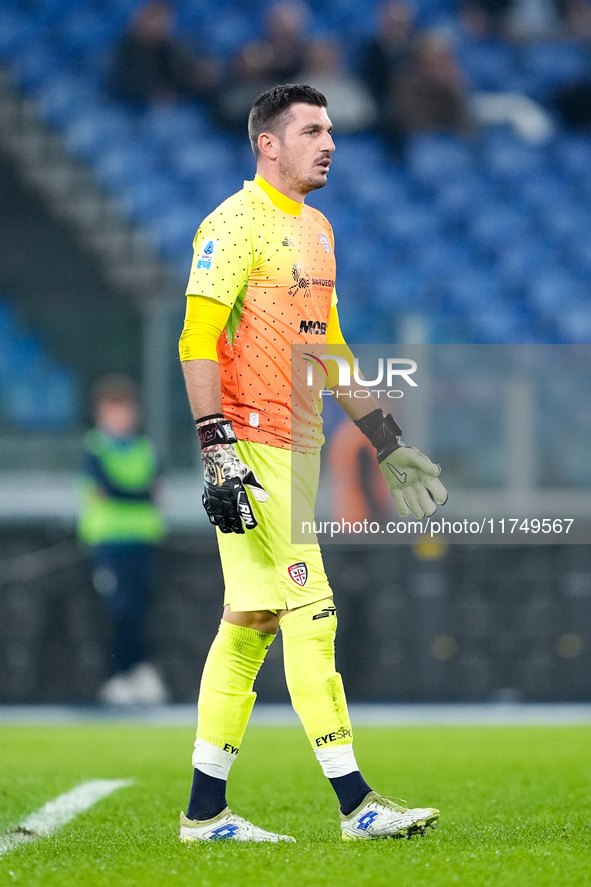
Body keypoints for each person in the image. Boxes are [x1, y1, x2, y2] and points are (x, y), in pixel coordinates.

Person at [177, 83, 447, 843]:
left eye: (330, 130)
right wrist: (215, 443)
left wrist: (388, 440)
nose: (328, 142)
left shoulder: (319, 229)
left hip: (295, 445)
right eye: (311, 130)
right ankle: (356, 803)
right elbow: (195, 338)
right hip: (250, 446)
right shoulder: (231, 225)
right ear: (267, 142)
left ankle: (204, 813)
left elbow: (327, 349)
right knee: (309, 607)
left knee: (250, 621)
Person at [78, 374, 168, 705]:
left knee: (142, 610)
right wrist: (142, 496)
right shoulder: (95, 448)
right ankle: (116, 676)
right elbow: (108, 491)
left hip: (142, 542)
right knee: (118, 611)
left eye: (125, 409)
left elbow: (151, 490)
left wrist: (132, 496)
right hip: (108, 543)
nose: (120, 417)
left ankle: (136, 671)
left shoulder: (145, 449)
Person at [108, 0, 219, 107]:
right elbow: (119, 82)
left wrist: (199, 76)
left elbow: (186, 73)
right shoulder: (123, 47)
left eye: (163, 19)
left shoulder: (173, 48)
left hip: (170, 105)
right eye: (153, 18)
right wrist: (153, 92)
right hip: (132, 104)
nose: (157, 25)